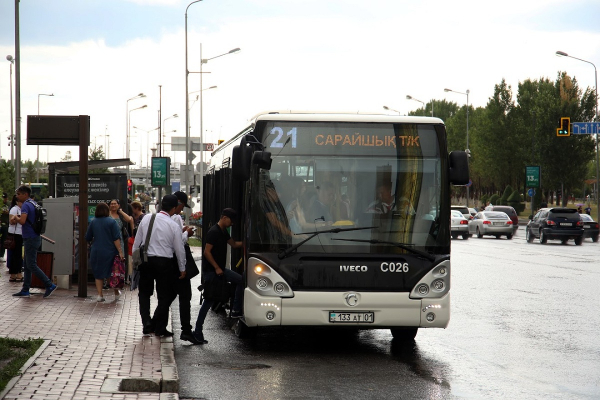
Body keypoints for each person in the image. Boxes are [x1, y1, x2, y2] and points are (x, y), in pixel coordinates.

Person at [133, 194, 186, 337]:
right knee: (164, 296)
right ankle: (160, 327)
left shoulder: (147, 219)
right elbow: (179, 249)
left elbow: (137, 243)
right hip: (165, 262)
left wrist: (135, 261)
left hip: (146, 261)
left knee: (144, 293)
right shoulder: (173, 225)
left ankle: (147, 323)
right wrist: (182, 268)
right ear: (174, 208)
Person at [193, 208, 243, 344]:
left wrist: (246, 244)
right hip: (212, 272)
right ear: (224, 217)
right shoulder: (213, 232)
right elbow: (207, 252)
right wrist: (216, 268)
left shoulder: (223, 232)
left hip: (220, 270)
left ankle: (236, 310)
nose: (232, 224)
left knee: (240, 281)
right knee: (208, 301)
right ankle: (197, 332)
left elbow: (233, 244)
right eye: (231, 221)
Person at [12, 185, 58, 298]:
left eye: (19, 194)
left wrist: (15, 218)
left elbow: (22, 221)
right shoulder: (33, 203)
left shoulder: (25, 205)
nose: (17, 196)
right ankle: (25, 289)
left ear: (25, 194)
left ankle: (49, 284)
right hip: (35, 236)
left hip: (30, 238)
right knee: (27, 265)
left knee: (31, 264)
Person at [171, 191, 201, 344]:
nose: (181, 210)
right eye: (182, 206)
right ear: (177, 203)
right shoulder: (175, 218)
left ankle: (155, 324)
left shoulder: (158, 217)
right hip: (177, 263)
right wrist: (186, 233)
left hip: (167, 263)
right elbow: (178, 244)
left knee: (168, 297)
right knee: (184, 297)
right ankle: (186, 331)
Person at [85, 202, 124, 302]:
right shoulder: (111, 222)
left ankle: (99, 295)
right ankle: (116, 293)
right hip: (110, 251)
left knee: (98, 273)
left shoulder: (93, 222)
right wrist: (120, 251)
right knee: (111, 273)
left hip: (96, 250)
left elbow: (88, 237)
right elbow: (116, 238)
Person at [7, 195, 23, 282]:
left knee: (17, 255)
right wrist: (18, 218)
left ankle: (15, 274)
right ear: (17, 201)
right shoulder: (14, 209)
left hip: (19, 233)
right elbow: (11, 221)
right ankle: (17, 273)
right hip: (15, 234)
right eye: (21, 202)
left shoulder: (20, 209)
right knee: (16, 255)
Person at [0, 192, 9, 263]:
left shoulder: (8, 205)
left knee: (3, 241)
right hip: (0, 224)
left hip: (6, 225)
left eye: (5, 198)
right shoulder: (1, 204)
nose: (4, 200)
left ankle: (1, 255)